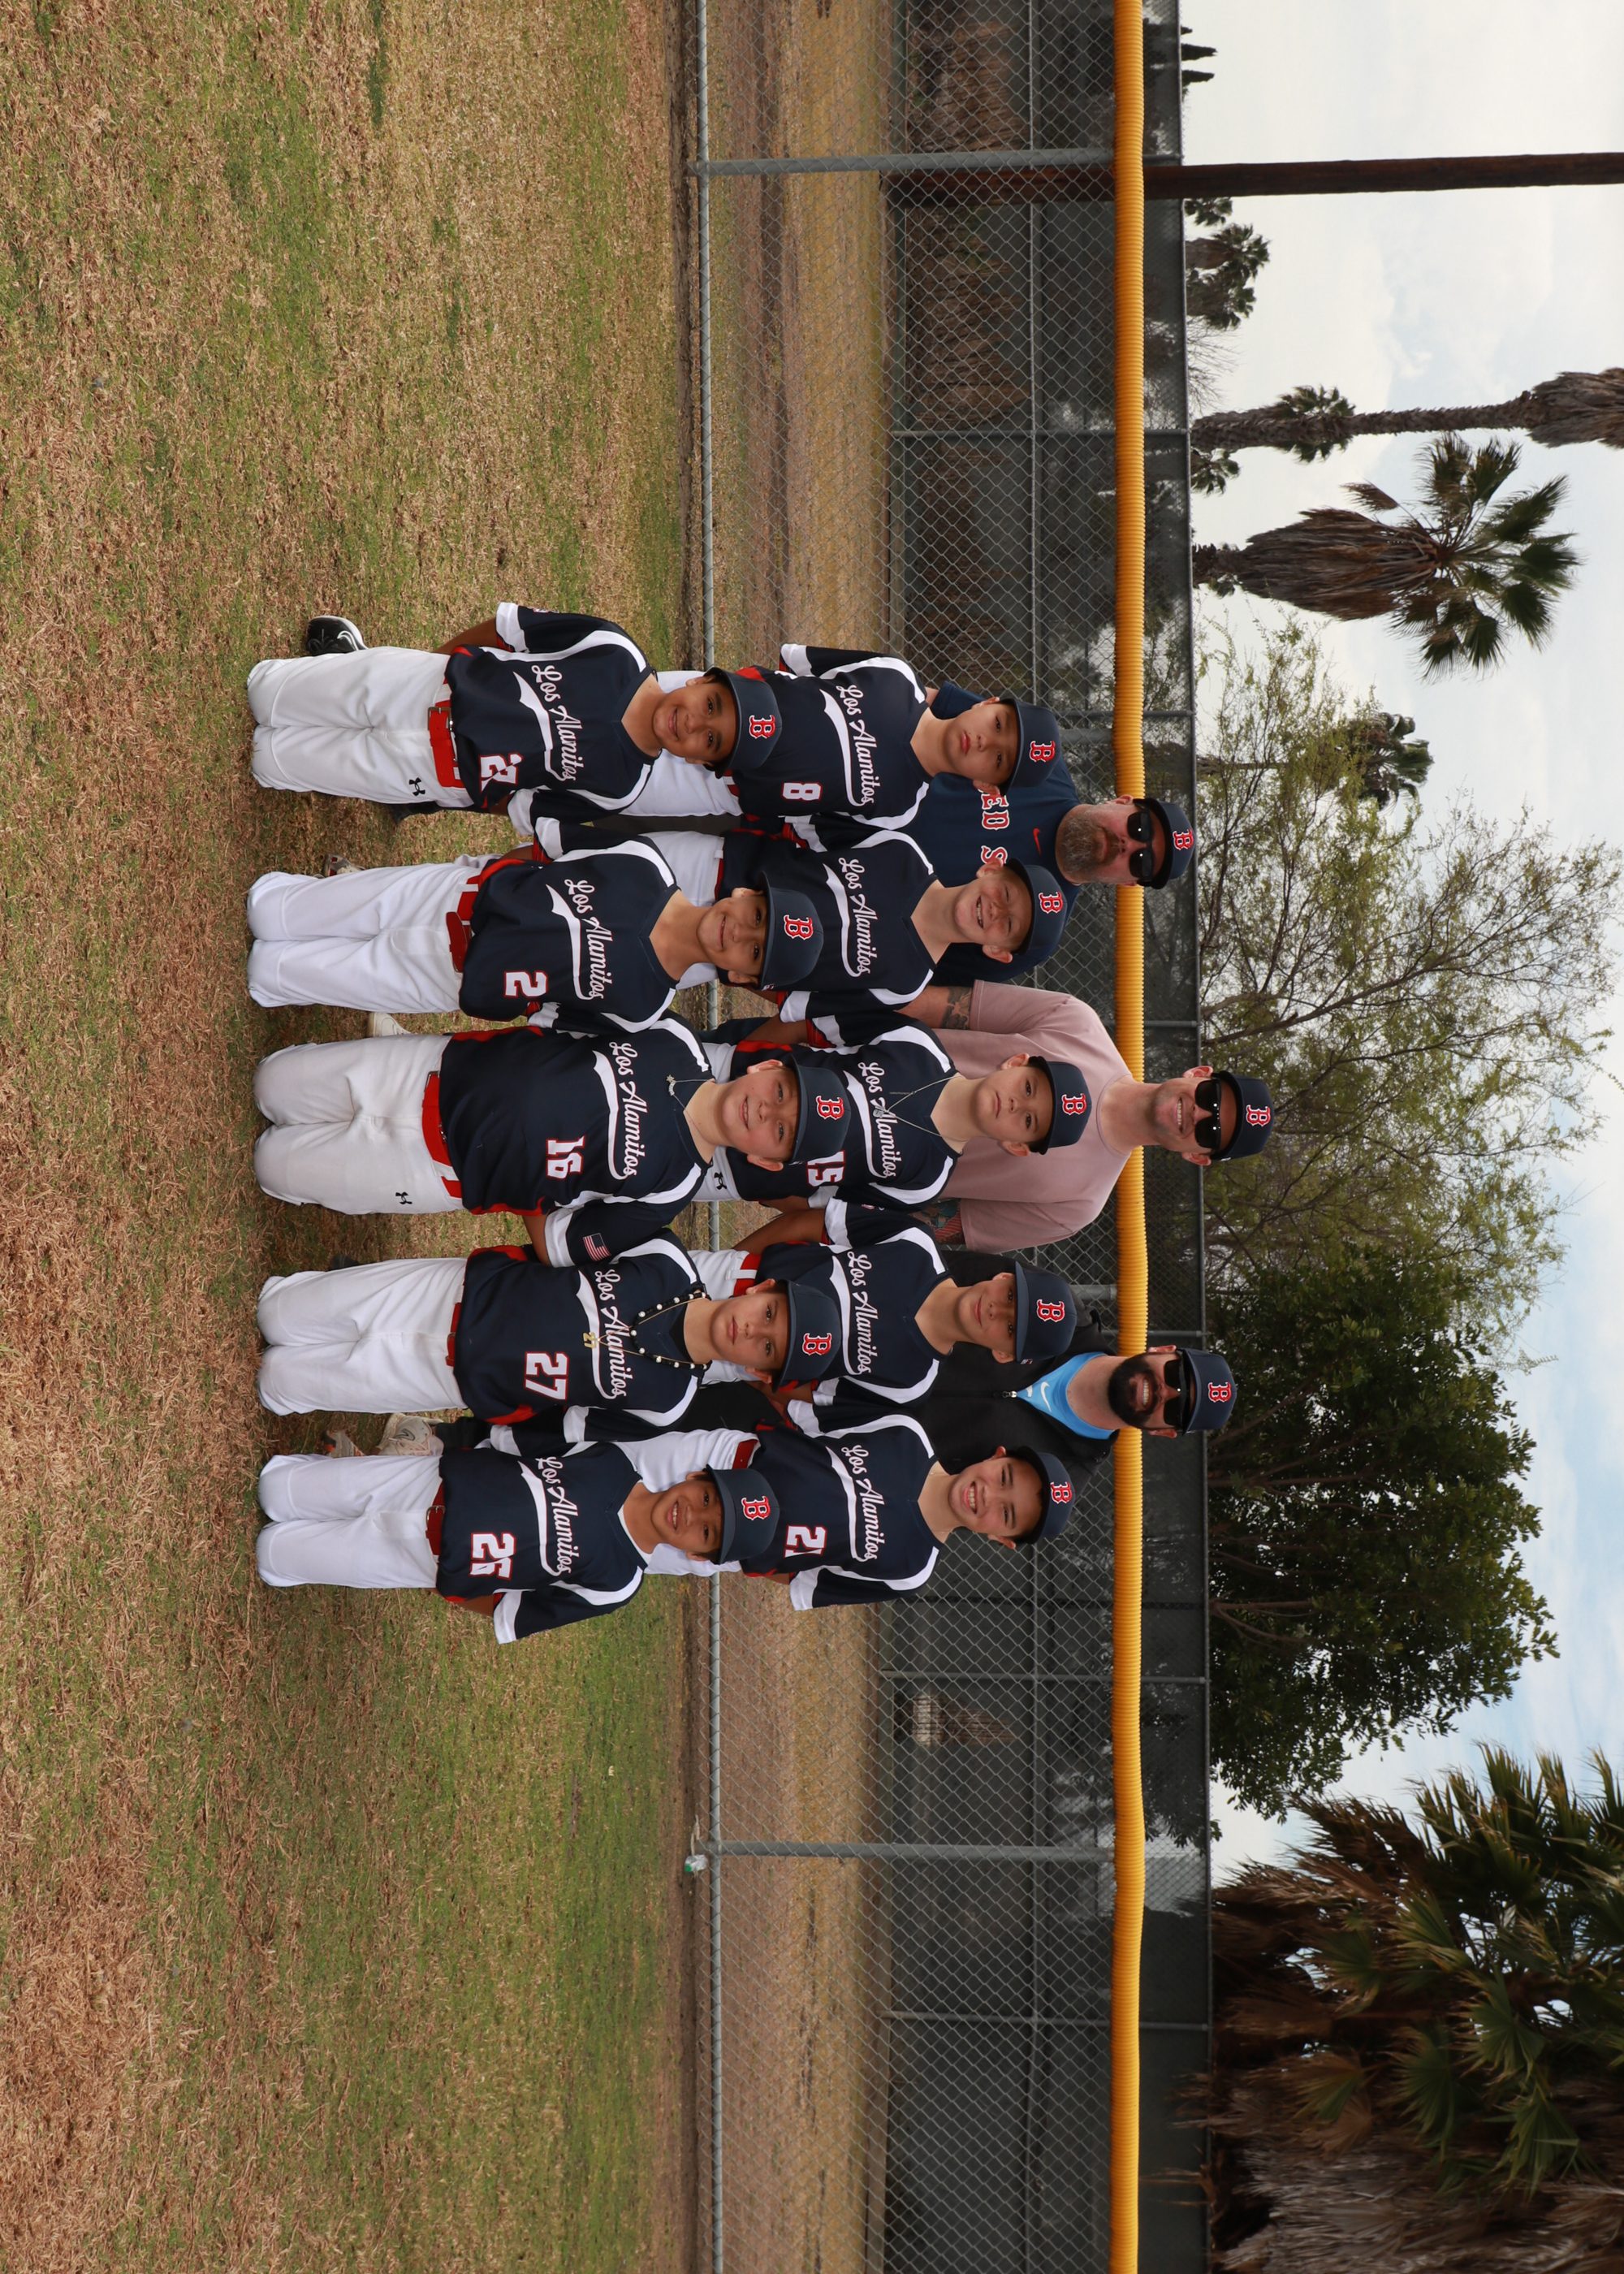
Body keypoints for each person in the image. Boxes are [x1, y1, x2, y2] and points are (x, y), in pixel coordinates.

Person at [253, 1412, 1078, 1634]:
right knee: (567, 1471)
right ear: (997, 1455)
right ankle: (426, 1458)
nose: (991, 1496)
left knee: (565, 1548)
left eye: (1007, 1513)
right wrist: (724, 1461)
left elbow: (796, 1584)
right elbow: (800, 1418)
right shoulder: (906, 1436)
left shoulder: (911, 1567)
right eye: (1005, 1480)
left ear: (1002, 1539)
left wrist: (733, 1546)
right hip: (713, 1459)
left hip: (716, 1542)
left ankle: (421, 1545)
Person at [750, 984, 1275, 1252]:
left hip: (820, 1164)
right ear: (1199, 1072)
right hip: (811, 1072)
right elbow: (923, 1006)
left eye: (1211, 1130)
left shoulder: (1079, 1205)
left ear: (1198, 1157)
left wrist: (793, 1199)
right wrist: (800, 1031)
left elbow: (930, 1222)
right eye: (1211, 1096)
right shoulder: (1078, 1023)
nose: (1198, 1112)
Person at [773, 643, 1195, 977]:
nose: (1128, 844)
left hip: (801, 887)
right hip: (812, 785)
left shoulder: (1033, 931)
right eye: (1141, 827)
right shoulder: (1039, 762)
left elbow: (918, 973)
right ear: (1123, 801)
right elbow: (919, 706)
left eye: (1142, 862)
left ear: (1130, 883)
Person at [252, 1018, 814, 1262]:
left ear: (766, 1160)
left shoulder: (672, 1190)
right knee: (269, 1084)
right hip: (431, 1069)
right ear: (767, 1067)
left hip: (436, 1171)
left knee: (270, 1165)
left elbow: (562, 1247)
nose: (766, 1110)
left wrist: (525, 1173)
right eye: (781, 1092)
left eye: (780, 1131)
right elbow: (558, 1011)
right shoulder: (672, 1036)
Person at [243, 832, 823, 1024]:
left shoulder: (645, 1008)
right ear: (743, 892)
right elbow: (548, 855)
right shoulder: (647, 863)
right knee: (269, 908)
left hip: (452, 976)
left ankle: (278, 973)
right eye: (756, 918)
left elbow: (546, 1019)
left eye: (754, 952)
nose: (739, 934)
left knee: (271, 973)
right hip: (452, 896)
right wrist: (480, 871)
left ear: (740, 976)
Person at [253, 1239, 842, 1425]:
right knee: (276, 1311)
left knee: (279, 1382)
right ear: (762, 1287)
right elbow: (557, 1238)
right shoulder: (666, 1259)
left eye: (768, 1347)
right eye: (770, 1314)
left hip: (454, 1379)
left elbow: (568, 1425)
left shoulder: (670, 1402)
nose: (752, 1330)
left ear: (758, 1371)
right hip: (454, 1293)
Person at [249, 608, 738, 817]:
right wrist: (433, 664)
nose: (694, 724)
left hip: (432, 774)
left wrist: (458, 790)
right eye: (711, 705)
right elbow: (508, 631)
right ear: (699, 680)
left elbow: (521, 805)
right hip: (427, 687)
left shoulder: (622, 789)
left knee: (267, 762)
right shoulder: (615, 651)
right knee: (262, 691)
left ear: (700, 761)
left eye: (710, 740)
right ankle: (348, 663)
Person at [628, 818, 1069, 1014]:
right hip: (711, 867)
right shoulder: (902, 851)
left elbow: (796, 1001)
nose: (995, 909)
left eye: (1009, 925)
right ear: (991, 868)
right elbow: (800, 827)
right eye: (1006, 893)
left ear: (998, 951)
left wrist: (738, 968)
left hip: (707, 956)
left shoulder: (905, 983)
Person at [706, 1203, 1079, 1422]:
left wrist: (743, 1370)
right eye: (1010, 1296)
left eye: (1011, 1328)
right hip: (729, 1277)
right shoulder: (916, 1243)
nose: (997, 1309)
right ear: (1002, 1276)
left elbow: (803, 1395)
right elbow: (804, 1224)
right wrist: (733, 1263)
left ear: (1003, 1354)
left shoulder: (911, 1385)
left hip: (731, 1358)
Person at [696, 1022, 1094, 1217]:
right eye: (1028, 1088)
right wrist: (738, 1053)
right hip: (731, 1074)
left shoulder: (926, 1181)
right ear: (1016, 1062)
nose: (1016, 1105)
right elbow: (809, 1027)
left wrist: (756, 1184)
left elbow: (816, 1207)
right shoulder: (919, 1046)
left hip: (727, 1173)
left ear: (1017, 1146)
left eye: (1029, 1122)